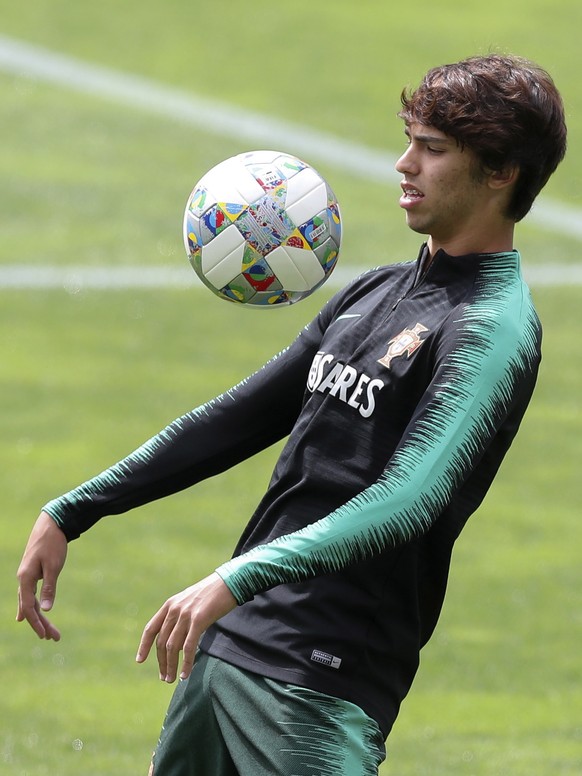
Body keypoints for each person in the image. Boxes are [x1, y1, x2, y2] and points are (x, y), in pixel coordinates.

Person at [17, 53, 567, 775]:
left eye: (432, 150)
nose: (404, 164)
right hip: (225, 656)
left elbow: (410, 499)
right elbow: (239, 416)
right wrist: (77, 508)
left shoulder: (491, 328)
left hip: (319, 683)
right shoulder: (378, 291)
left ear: (501, 172)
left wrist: (237, 577)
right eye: (410, 140)